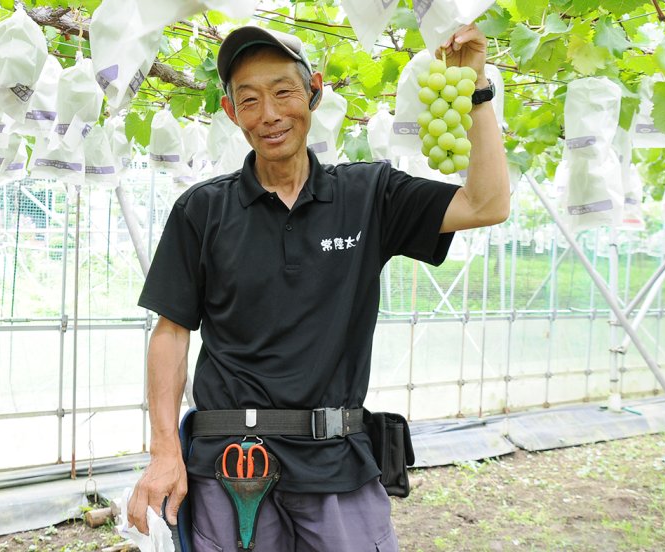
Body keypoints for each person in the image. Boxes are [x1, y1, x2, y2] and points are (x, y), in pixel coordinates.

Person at [127, 22, 509, 551]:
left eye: (284, 91)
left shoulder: (369, 194)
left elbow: (486, 204)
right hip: (230, 467)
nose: (270, 114)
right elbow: (170, 332)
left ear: (315, 90)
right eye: (250, 100)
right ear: (232, 112)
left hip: (337, 464)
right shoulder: (202, 210)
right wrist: (165, 451)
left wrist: (478, 91)